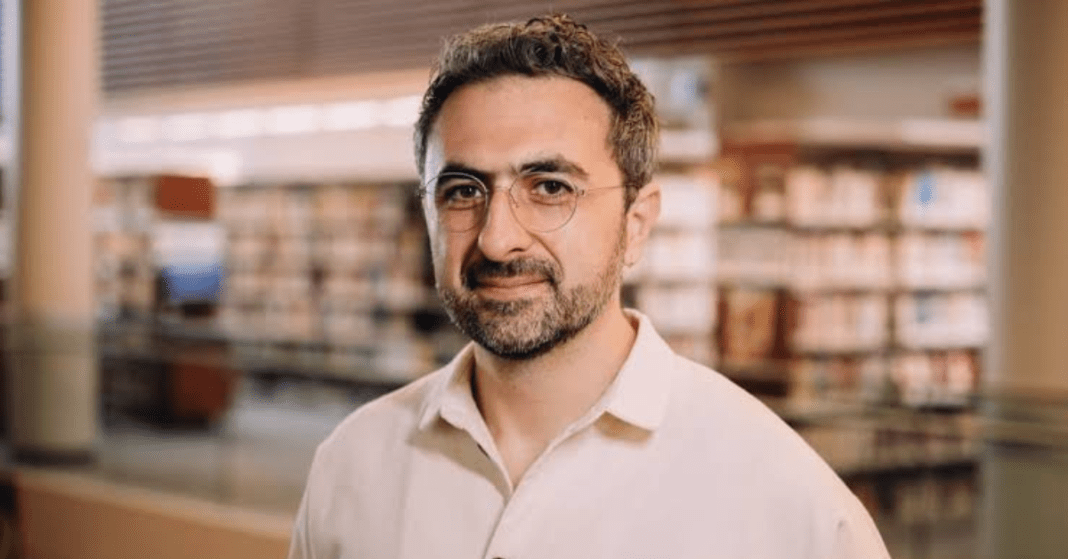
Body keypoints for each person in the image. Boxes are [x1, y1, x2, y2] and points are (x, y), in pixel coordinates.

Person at [289, 14, 890, 559]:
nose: (497, 240)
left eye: (550, 188)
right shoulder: (353, 466)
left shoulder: (786, 502)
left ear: (637, 224)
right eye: (463, 191)